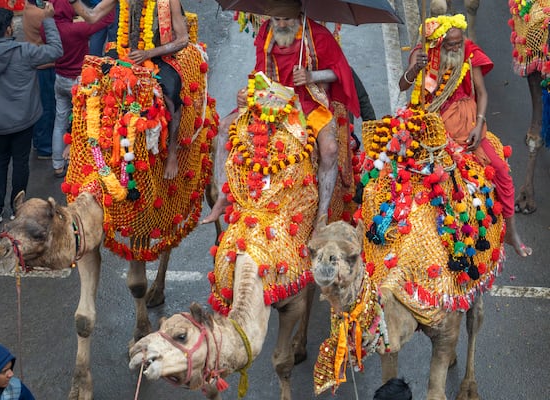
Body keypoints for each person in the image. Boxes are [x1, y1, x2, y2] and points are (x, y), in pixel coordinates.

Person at [202, 0, 362, 229]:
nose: (282, 24)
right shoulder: (266, 34)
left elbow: (340, 72)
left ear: (298, 17)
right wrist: (245, 94)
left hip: (307, 102)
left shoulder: (318, 35)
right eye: (278, 20)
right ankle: (222, 197)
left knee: (329, 149)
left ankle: (321, 215)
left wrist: (311, 76)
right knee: (224, 128)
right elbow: (259, 75)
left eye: (287, 19)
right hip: (271, 98)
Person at [399, 14, 532, 257]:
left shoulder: (468, 53)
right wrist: (414, 69)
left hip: (469, 124)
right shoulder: (424, 54)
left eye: (459, 43)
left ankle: (512, 231)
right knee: (406, 174)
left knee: (501, 171)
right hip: (432, 124)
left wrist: (478, 124)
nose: (456, 48)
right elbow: (403, 86)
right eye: (451, 45)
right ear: (440, 44)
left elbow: (482, 93)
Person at [70, 0, 191, 179]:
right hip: (124, 54)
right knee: (90, 79)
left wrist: (149, 53)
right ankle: (75, 138)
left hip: (156, 55)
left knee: (172, 93)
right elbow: (92, 16)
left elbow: (183, 39)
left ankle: (172, 152)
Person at [0, 6, 63, 223]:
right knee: (20, 163)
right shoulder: (24, 51)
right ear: (10, 28)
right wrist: (48, 20)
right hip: (24, 119)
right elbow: (57, 50)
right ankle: (16, 208)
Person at [50, 0, 114, 178]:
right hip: (78, 81)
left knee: (60, 121)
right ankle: (79, 161)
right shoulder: (76, 29)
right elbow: (106, 19)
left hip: (59, 78)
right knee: (84, 122)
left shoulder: (48, 27)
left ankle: (57, 164)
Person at [22, 0, 57, 160]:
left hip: (38, 64)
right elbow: (55, 31)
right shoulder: (38, 14)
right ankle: (45, 147)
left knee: (41, 105)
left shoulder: (29, 9)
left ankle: (39, 142)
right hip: (45, 66)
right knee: (47, 107)